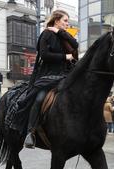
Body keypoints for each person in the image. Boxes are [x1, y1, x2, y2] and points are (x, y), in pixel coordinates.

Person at [24, 9, 78, 148]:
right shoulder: (46, 34)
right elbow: (44, 55)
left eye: (68, 21)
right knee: (39, 98)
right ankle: (30, 132)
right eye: (65, 21)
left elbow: (75, 45)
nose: (67, 23)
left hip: (66, 75)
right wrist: (64, 57)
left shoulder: (64, 35)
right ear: (56, 20)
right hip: (49, 75)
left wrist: (60, 32)